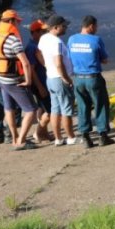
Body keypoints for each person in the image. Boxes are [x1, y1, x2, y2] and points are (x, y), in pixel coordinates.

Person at [0, 10, 36, 149]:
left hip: (0, 78)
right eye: (17, 21)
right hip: (14, 80)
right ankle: (21, 141)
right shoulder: (13, 39)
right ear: (11, 21)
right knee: (31, 110)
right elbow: (25, 63)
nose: (19, 24)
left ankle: (14, 138)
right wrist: (28, 80)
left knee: (9, 109)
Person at [68, 15, 114, 148]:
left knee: (83, 107)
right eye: (96, 26)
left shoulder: (71, 39)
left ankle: (86, 137)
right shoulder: (96, 40)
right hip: (93, 78)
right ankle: (103, 136)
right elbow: (105, 60)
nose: (97, 29)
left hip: (77, 78)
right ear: (91, 26)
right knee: (100, 105)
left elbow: (70, 57)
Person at [39, 15, 77, 146]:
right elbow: (59, 63)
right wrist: (66, 79)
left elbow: (39, 54)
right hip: (59, 79)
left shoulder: (43, 38)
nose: (66, 27)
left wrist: (46, 65)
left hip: (50, 78)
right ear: (55, 27)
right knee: (67, 110)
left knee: (55, 110)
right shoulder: (57, 42)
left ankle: (58, 138)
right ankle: (71, 137)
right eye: (63, 25)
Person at [25, 19, 52, 143]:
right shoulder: (31, 48)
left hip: (44, 82)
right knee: (50, 110)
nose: (46, 33)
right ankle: (38, 133)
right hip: (40, 83)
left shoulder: (39, 44)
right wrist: (40, 87)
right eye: (43, 31)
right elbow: (32, 70)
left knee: (42, 109)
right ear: (34, 33)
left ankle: (43, 133)